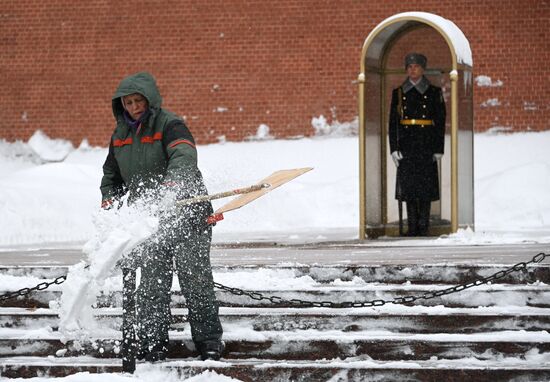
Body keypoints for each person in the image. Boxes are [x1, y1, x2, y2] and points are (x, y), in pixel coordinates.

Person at [100, 72, 224, 362]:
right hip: (150, 222)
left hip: (188, 216)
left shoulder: (170, 125)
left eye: (138, 100)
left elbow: (184, 156)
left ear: (149, 100)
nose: (133, 107)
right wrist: (110, 199)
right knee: (152, 282)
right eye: (128, 103)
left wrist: (171, 188)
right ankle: (153, 340)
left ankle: (208, 340)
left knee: (196, 279)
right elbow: (111, 175)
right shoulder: (120, 136)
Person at [388, 53, 446, 236]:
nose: (412, 69)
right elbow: (393, 123)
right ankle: (412, 227)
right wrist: (394, 148)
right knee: (409, 189)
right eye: (409, 66)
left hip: (426, 143)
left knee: (425, 188)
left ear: (423, 68)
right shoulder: (398, 92)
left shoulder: (434, 92)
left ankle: (424, 227)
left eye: (416, 66)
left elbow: (440, 122)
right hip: (407, 145)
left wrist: (438, 148)